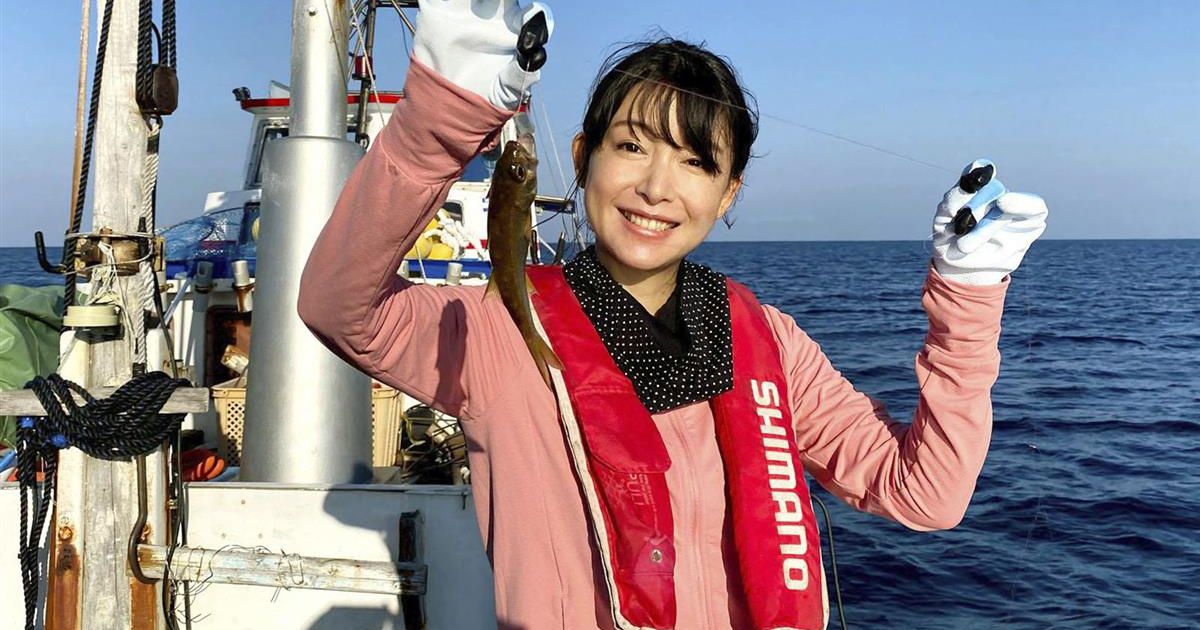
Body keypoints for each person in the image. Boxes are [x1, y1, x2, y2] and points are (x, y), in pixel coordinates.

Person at [297, 1, 1049, 628]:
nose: (657, 187)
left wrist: (968, 294)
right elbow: (339, 306)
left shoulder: (769, 341)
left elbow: (926, 494)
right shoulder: (502, 329)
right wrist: (441, 121)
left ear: (728, 195)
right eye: (632, 147)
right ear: (583, 157)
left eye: (696, 162)